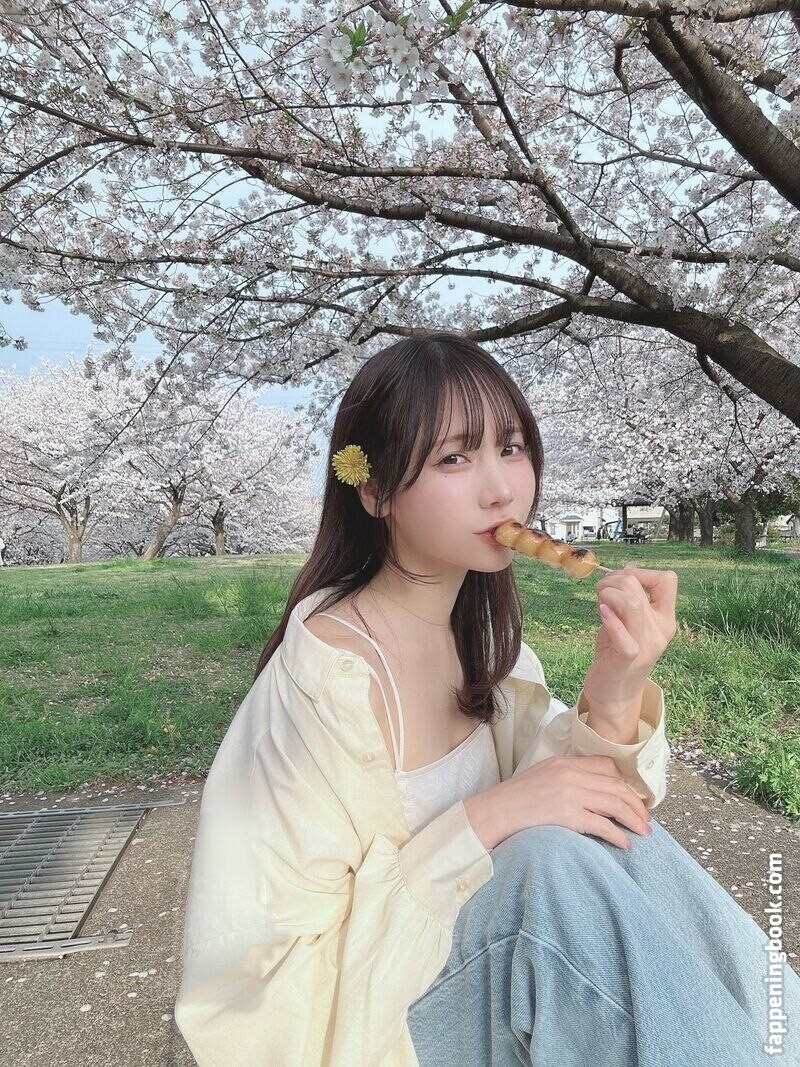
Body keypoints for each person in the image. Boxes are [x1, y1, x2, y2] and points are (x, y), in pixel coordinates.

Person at [174, 333, 800, 1066]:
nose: (503, 489)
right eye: (454, 458)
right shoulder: (320, 687)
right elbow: (268, 982)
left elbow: (582, 803)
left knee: (618, 836)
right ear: (374, 490)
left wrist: (617, 684)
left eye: (511, 447)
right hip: (361, 1029)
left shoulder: (485, 644)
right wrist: (486, 820)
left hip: (475, 980)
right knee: (546, 871)